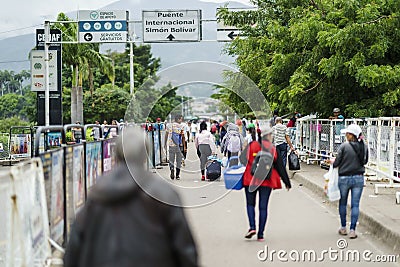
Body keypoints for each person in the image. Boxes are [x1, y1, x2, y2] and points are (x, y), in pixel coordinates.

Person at [64, 127, 198, 267]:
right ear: (145, 154)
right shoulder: (164, 193)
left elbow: (73, 250)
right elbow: (185, 250)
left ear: (116, 154)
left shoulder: (97, 193)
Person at [242, 125, 291, 241]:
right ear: (268, 136)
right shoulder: (272, 148)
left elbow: (243, 160)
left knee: (250, 204)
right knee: (263, 207)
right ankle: (260, 235)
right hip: (266, 180)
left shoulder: (251, 146)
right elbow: (280, 167)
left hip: (250, 179)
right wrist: (287, 182)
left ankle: (252, 227)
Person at [331, 124, 368, 239]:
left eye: (347, 133)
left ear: (352, 135)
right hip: (358, 178)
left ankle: (343, 227)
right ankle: (352, 230)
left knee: (342, 203)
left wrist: (332, 161)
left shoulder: (344, 147)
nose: (346, 135)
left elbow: (337, 163)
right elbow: (365, 161)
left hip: (344, 178)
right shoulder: (364, 147)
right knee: (355, 204)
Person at [165, 115, 186, 180]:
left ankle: (171, 168)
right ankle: (177, 175)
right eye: (181, 119)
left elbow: (166, 135)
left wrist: (165, 143)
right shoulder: (181, 126)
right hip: (179, 146)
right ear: (178, 119)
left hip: (171, 145)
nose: (181, 120)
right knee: (178, 161)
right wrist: (184, 146)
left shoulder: (169, 125)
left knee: (171, 160)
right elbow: (183, 137)